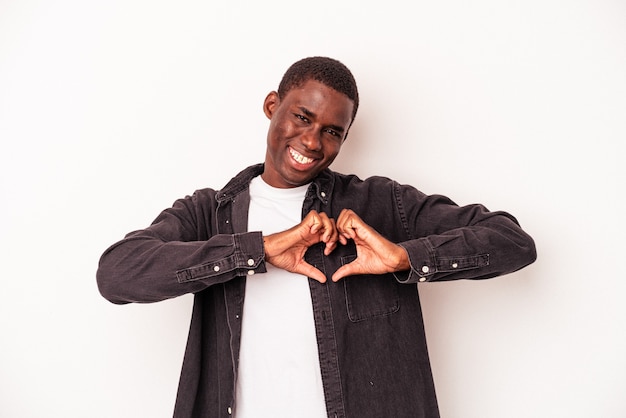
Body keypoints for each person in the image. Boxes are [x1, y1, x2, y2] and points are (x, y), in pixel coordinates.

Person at [97, 56, 537, 418]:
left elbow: (512, 241)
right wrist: (259, 249)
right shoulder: (211, 212)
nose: (311, 141)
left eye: (332, 131)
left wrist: (405, 257)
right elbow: (116, 274)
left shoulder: (379, 204)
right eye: (302, 117)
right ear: (273, 105)